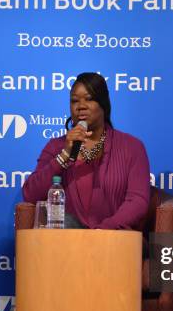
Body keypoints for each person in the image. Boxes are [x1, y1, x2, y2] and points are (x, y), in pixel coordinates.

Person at [22, 72, 150, 230]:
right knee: (63, 224)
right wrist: (64, 156)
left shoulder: (131, 147)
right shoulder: (56, 146)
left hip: (114, 239)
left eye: (89, 99)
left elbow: (137, 201)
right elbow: (31, 195)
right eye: (75, 101)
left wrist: (102, 231)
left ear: (103, 103)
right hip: (68, 242)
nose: (81, 106)